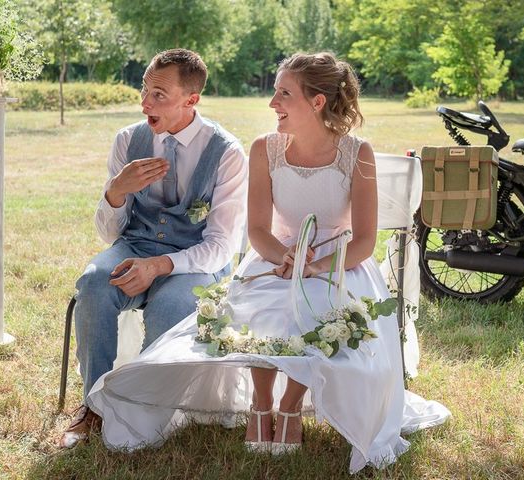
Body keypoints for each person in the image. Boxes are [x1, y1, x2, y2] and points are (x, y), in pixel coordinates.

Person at [86, 52, 450, 473]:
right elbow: (258, 229)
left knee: (312, 306)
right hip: (274, 257)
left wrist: (313, 267)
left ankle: (290, 405)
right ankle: (262, 403)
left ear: (316, 102)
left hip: (337, 263)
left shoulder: (356, 153)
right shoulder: (265, 149)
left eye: (283, 93)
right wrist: (285, 258)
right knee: (260, 306)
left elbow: (366, 241)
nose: (272, 102)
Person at [59, 49, 248, 448]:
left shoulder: (227, 152)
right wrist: (115, 192)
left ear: (191, 100)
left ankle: (148, 409)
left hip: (195, 261)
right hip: (136, 244)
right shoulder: (128, 140)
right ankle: (93, 405)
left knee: (170, 306)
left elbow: (221, 247)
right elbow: (110, 235)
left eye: (159, 94)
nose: (145, 102)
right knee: (94, 282)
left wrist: (160, 265)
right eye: (144, 90)